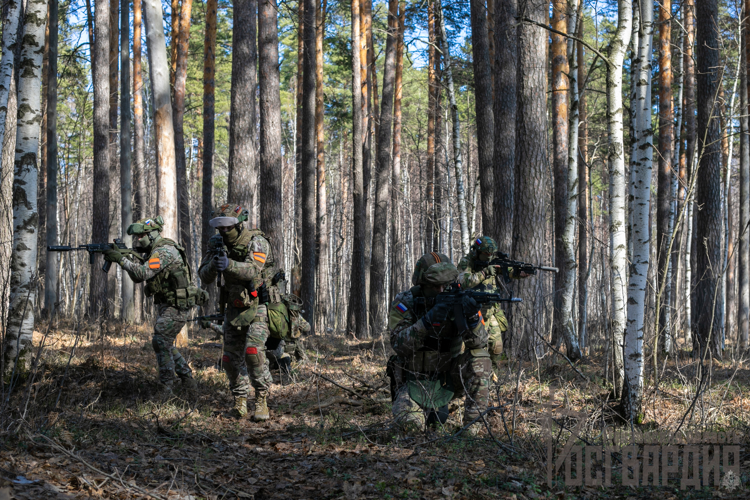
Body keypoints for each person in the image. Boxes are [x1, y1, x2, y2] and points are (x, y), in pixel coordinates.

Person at [387, 252, 491, 435]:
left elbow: (480, 343)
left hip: (447, 378)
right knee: (410, 428)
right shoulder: (406, 302)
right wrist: (427, 321)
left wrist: (472, 318)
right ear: (423, 284)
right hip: (413, 381)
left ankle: (472, 430)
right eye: (436, 287)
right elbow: (398, 345)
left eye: (446, 285)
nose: (442, 291)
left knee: (480, 358)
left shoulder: (460, 300)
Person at [103, 216, 204, 395]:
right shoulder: (155, 251)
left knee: (160, 341)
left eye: (142, 235)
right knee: (164, 342)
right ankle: (188, 380)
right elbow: (137, 277)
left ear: (152, 234)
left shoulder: (164, 251)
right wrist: (127, 257)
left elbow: (142, 273)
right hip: (168, 303)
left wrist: (121, 260)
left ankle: (166, 387)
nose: (139, 239)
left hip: (177, 304)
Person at [198, 204, 280, 421]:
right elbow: (204, 276)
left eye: (228, 227)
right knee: (228, 358)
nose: (224, 232)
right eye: (220, 228)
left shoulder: (257, 241)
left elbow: (254, 269)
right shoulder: (216, 244)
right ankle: (240, 400)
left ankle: (261, 399)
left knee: (253, 352)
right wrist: (215, 266)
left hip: (258, 304)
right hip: (233, 306)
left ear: (238, 223)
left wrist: (229, 264)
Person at [457, 236, 528, 371]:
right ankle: (469, 375)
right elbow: (463, 282)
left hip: (491, 310)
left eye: (491, 254)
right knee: (474, 347)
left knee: (496, 347)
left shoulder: (492, 262)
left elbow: (507, 270)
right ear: (477, 252)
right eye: (486, 254)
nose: (489, 257)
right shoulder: (467, 262)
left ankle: (491, 374)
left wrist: (520, 273)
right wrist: (484, 273)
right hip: (473, 312)